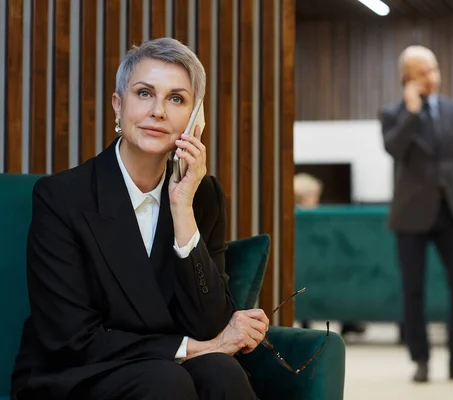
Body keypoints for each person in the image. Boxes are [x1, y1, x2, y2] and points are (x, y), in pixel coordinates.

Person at [11, 37, 268, 400]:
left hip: (162, 367)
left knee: (221, 371)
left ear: (195, 119)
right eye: (144, 93)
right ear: (118, 106)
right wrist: (190, 349)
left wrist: (182, 207)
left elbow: (208, 323)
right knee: (167, 380)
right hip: (75, 372)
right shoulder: (61, 197)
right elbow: (71, 339)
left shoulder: (202, 195)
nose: (158, 111)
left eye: (176, 99)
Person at [378, 45, 453, 384]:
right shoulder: (393, 113)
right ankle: (420, 360)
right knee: (413, 289)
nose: (432, 77)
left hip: (452, 212)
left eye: (434, 69)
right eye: (423, 72)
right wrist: (410, 111)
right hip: (411, 214)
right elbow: (393, 149)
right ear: (407, 78)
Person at [293, 173, 366, 337]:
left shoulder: (287, 218)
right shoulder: (319, 221)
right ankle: (349, 322)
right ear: (305, 197)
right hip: (321, 272)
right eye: (315, 196)